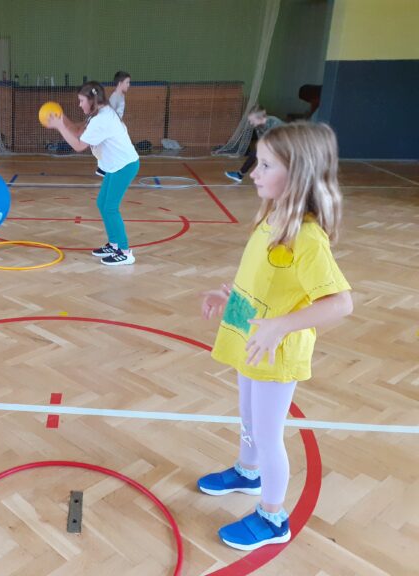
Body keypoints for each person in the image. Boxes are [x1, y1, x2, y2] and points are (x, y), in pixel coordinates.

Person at [199, 122, 353, 550]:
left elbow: (341, 303)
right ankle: (247, 472)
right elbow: (263, 283)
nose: (254, 172)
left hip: (276, 352)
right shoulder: (272, 217)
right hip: (253, 342)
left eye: (266, 165)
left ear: (298, 174)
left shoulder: (307, 237)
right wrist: (228, 296)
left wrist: (282, 325)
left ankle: (272, 518)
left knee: (269, 435)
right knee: (249, 420)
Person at [47, 81, 140, 265]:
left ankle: (125, 252)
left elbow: (78, 145)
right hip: (115, 165)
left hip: (124, 166)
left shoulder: (101, 119)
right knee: (102, 203)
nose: (79, 104)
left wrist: (59, 126)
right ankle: (113, 244)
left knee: (110, 207)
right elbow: (78, 130)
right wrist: (61, 118)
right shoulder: (98, 113)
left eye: (82, 101)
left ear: (92, 101)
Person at [225, 105, 284, 183]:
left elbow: (281, 140)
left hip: (287, 144)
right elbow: (262, 142)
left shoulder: (275, 123)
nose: (251, 123)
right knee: (255, 153)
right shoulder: (258, 126)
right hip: (273, 145)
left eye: (252, 120)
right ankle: (240, 175)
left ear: (259, 118)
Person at [96, 71, 131, 177]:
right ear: (120, 83)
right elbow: (108, 113)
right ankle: (103, 169)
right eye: (127, 82)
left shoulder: (121, 95)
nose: (129, 85)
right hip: (111, 128)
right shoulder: (115, 96)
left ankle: (105, 169)